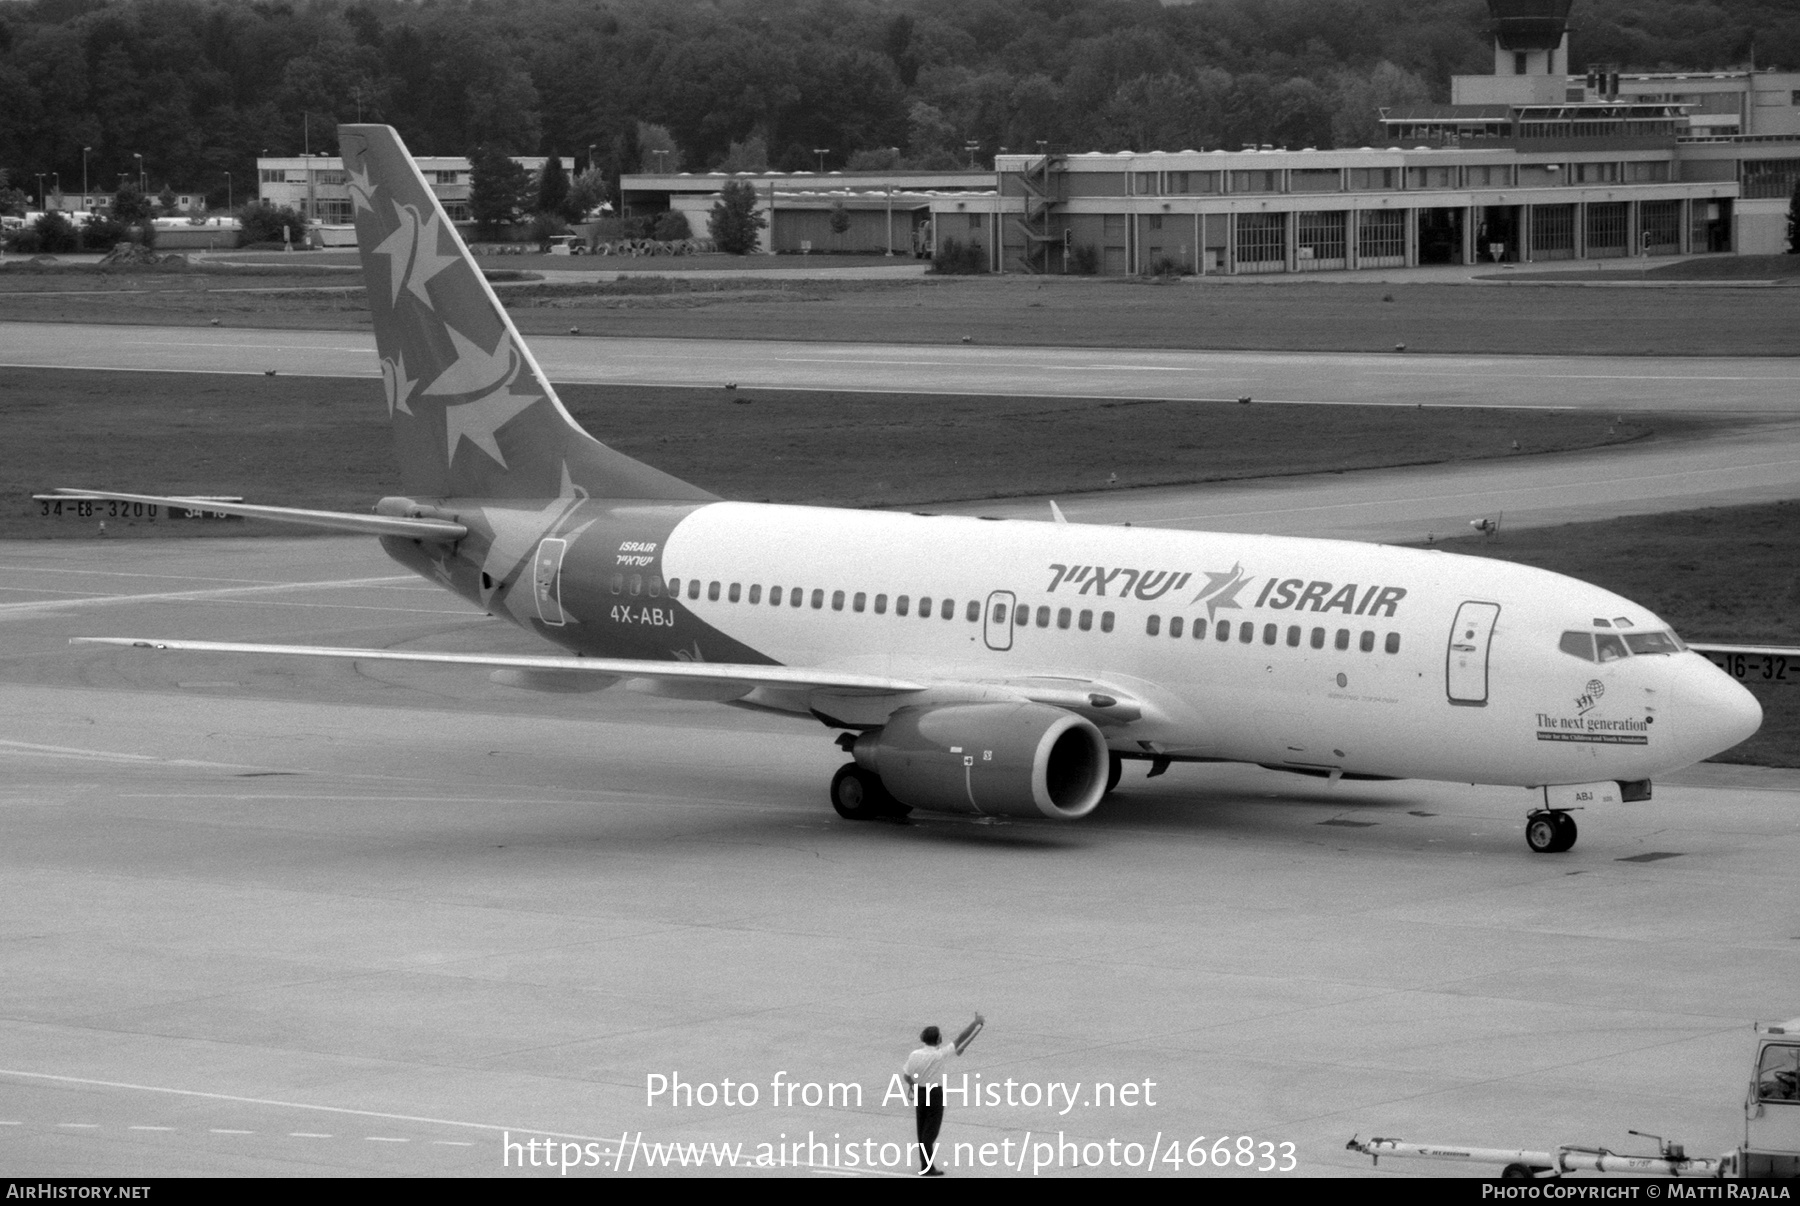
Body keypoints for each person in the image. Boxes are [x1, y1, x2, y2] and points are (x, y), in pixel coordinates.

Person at [902, 1013, 984, 1176]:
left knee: (922, 1128)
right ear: (938, 1039)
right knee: (930, 1132)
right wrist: (975, 1023)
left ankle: (926, 1165)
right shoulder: (939, 1055)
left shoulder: (914, 1055)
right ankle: (927, 1167)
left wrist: (914, 1084)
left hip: (920, 1092)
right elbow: (960, 1038)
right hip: (934, 1095)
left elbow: (906, 1076)